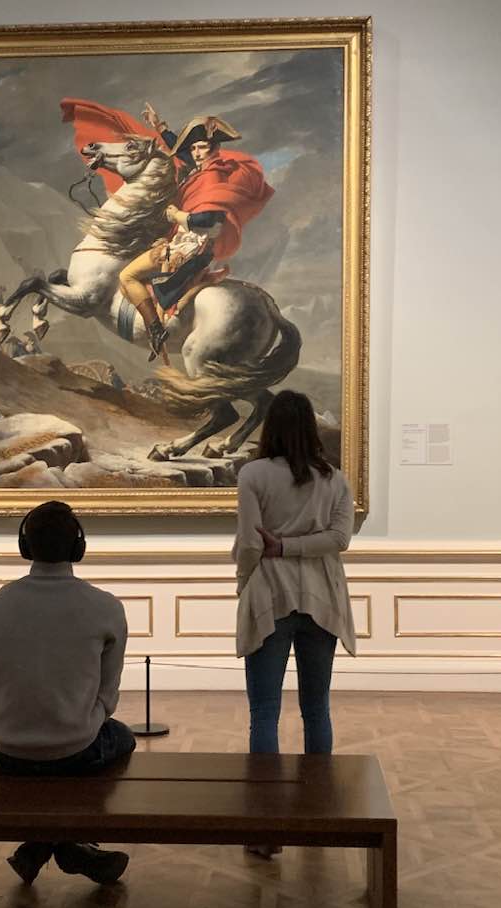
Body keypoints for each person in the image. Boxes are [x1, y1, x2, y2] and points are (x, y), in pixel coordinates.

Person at [0, 500, 136, 885]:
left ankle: (40, 845)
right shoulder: (105, 607)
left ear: (24, 546)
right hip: (76, 749)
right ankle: (71, 845)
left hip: (6, 753)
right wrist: (76, 723)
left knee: (52, 759)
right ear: (78, 547)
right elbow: (107, 698)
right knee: (123, 739)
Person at [232, 391, 356, 858]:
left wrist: (255, 569)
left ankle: (266, 830)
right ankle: (317, 819)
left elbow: (250, 543)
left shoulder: (253, 474)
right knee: (316, 709)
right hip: (321, 599)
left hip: (269, 596)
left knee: (264, 713)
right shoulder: (333, 478)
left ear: (270, 425)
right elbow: (340, 539)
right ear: (310, 426)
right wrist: (299, 546)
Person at [118, 103, 274, 360]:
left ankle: (156, 331)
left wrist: (177, 216)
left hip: (189, 248)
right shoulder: (206, 169)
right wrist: (159, 126)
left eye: (201, 147)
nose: (196, 153)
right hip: (186, 241)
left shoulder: (212, 177)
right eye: (194, 148)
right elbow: (182, 153)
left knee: (127, 276)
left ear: (214, 148)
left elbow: (211, 219)